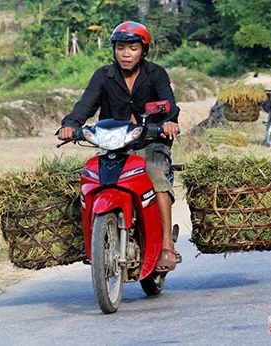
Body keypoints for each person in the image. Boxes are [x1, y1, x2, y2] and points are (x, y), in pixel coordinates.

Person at [58, 21, 181, 272]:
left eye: (133, 48)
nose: (126, 54)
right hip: (115, 146)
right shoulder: (103, 76)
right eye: (121, 48)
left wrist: (169, 122)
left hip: (150, 143)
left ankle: (167, 245)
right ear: (114, 50)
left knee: (156, 175)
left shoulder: (155, 74)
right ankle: (93, 242)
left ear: (143, 50)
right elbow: (85, 105)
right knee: (91, 178)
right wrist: (70, 124)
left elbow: (168, 103)